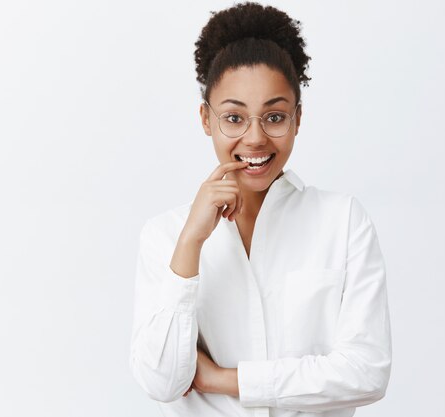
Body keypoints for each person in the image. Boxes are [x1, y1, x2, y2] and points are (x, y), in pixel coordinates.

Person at [129, 2, 392, 416]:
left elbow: (367, 372)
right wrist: (192, 241)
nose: (254, 138)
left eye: (274, 116)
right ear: (206, 118)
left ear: (297, 118)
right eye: (234, 118)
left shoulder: (342, 222)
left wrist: (225, 380)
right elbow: (161, 381)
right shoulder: (166, 235)